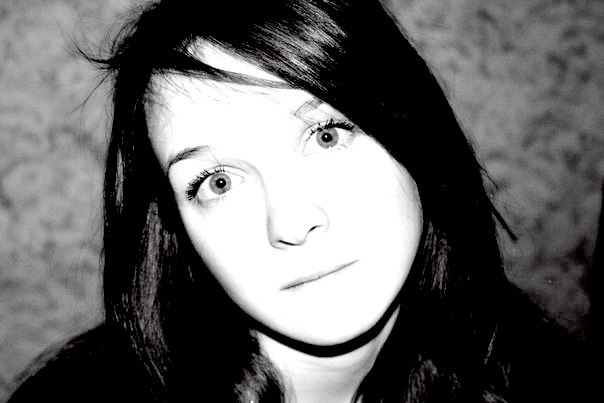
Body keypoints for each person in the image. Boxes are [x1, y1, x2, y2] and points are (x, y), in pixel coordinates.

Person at [7, 0, 593, 402]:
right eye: (218, 181)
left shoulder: (542, 375)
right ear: (177, 231)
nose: (290, 221)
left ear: (413, 132)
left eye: (325, 135)